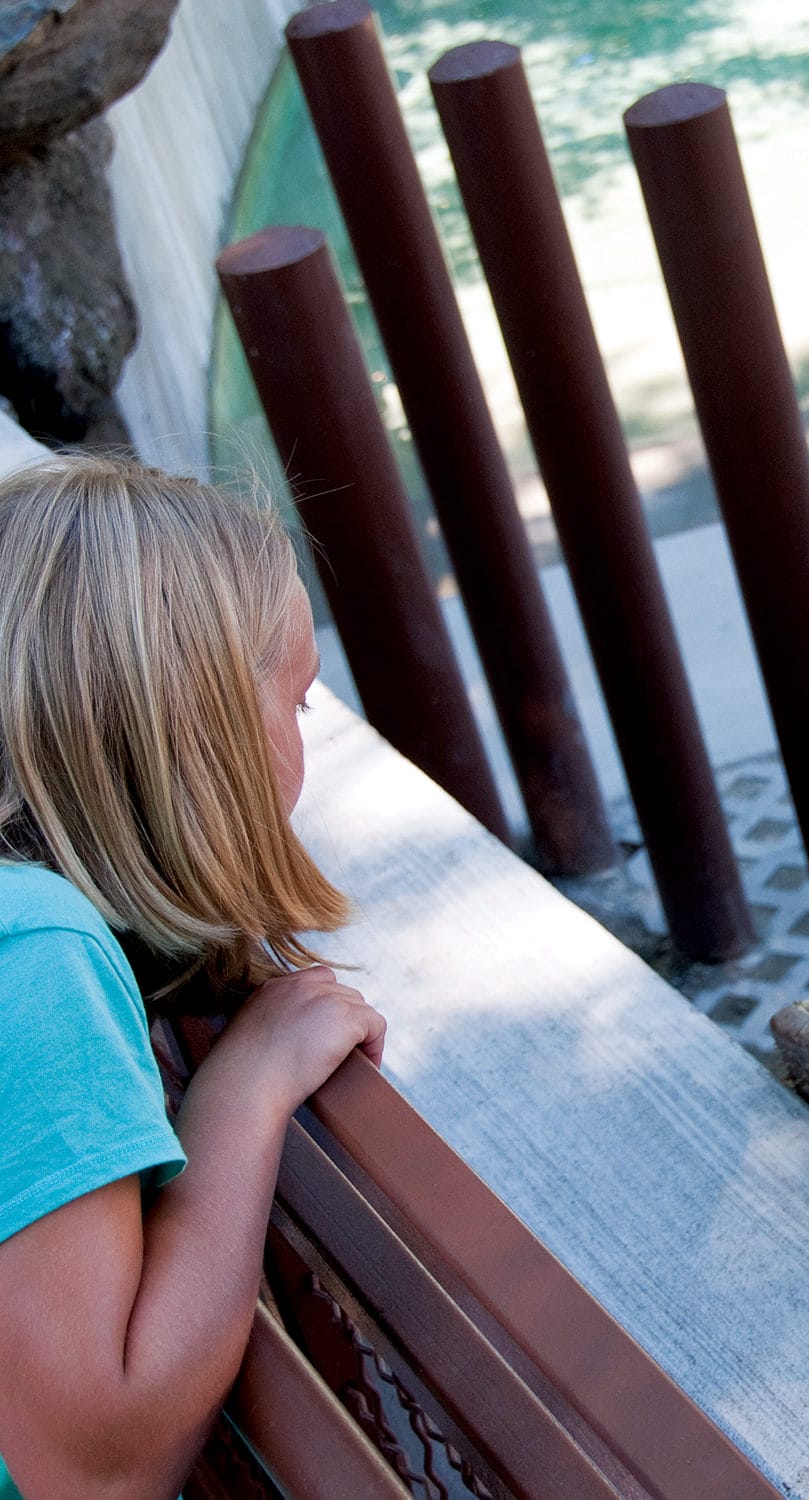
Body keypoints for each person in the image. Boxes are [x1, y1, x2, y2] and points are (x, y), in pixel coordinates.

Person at [0, 454, 387, 1498]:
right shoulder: (28, 952)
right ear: (202, 735)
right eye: (297, 707)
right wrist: (246, 1091)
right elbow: (94, 1472)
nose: (302, 759)